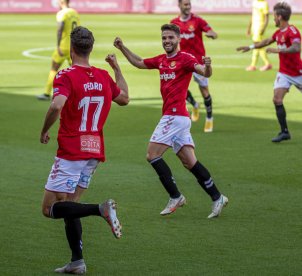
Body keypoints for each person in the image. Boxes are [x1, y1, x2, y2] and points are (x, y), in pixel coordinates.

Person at [114, 24, 228, 219]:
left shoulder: (185, 59)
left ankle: (175, 196)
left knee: (152, 155)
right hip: (177, 117)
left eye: (170, 38)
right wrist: (122, 48)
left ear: (178, 39)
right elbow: (139, 62)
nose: (167, 41)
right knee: (189, 162)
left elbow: (204, 72)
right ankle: (218, 197)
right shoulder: (161, 60)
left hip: (174, 117)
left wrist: (208, 65)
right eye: (164, 38)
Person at [40, 26, 129, 274]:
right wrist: (117, 68)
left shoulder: (66, 75)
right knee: (71, 206)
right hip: (94, 150)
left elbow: (57, 106)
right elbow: (124, 98)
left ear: (72, 48)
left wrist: (43, 129)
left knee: (49, 209)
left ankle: (100, 209)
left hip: (71, 150)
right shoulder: (102, 75)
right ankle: (77, 261)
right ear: (90, 48)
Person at [237, 2, 302, 143]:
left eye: (274, 16)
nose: (273, 19)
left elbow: (296, 48)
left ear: (279, 17)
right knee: (277, 99)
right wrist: (250, 47)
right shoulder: (278, 33)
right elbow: (267, 41)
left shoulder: (293, 31)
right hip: (284, 73)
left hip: (298, 73)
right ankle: (284, 132)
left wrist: (279, 50)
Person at [171, 0, 217, 132]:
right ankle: (195, 105)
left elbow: (212, 32)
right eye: (185, 4)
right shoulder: (174, 22)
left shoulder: (198, 21)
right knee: (179, 88)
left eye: (189, 4)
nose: (188, 7)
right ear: (179, 5)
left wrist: (212, 34)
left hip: (198, 61)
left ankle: (209, 119)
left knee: (204, 90)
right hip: (183, 61)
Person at [36, 0, 80, 100]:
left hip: (64, 46)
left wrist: (58, 45)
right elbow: (78, 30)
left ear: (61, 2)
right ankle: (81, 92)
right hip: (73, 46)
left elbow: (60, 29)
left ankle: (47, 93)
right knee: (77, 71)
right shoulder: (75, 13)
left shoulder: (62, 13)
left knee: (54, 68)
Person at [245, 0, 272, 71]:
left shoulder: (264, 3)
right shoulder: (255, 2)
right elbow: (253, 15)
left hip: (260, 26)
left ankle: (267, 64)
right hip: (254, 26)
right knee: (256, 45)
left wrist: (263, 28)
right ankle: (253, 65)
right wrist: (249, 27)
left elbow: (267, 17)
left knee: (257, 44)